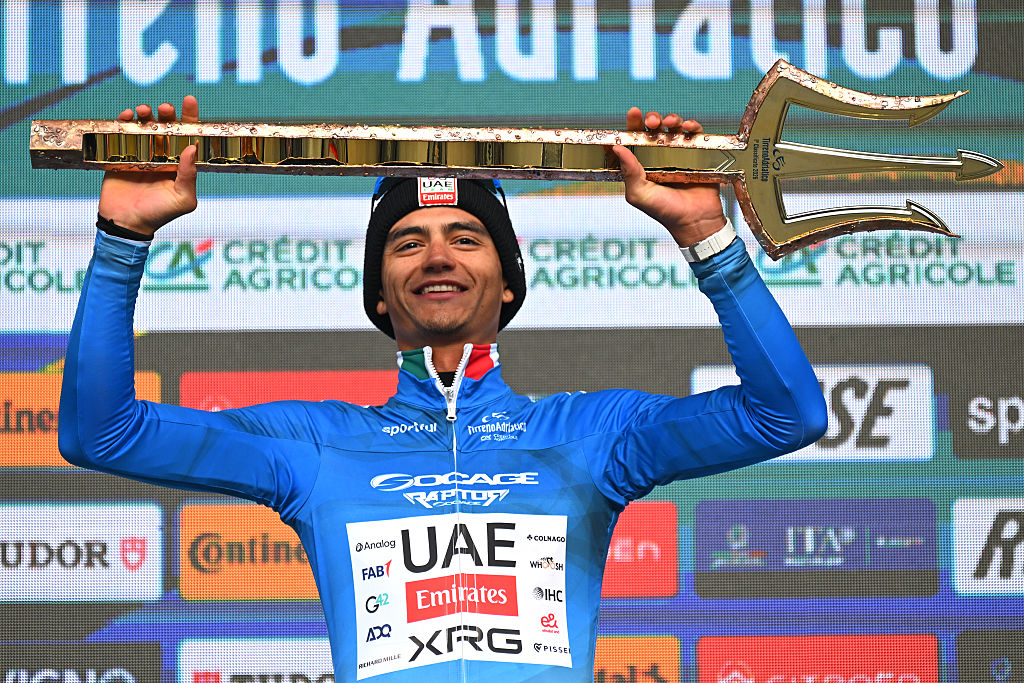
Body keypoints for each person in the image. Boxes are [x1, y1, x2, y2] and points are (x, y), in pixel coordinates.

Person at [59, 96, 827, 682]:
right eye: (407, 241)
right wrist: (124, 237)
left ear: (508, 283)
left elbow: (785, 415)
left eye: (465, 236)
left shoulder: (596, 436)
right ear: (379, 294)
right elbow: (104, 433)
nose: (436, 256)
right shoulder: (316, 447)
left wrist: (706, 237)